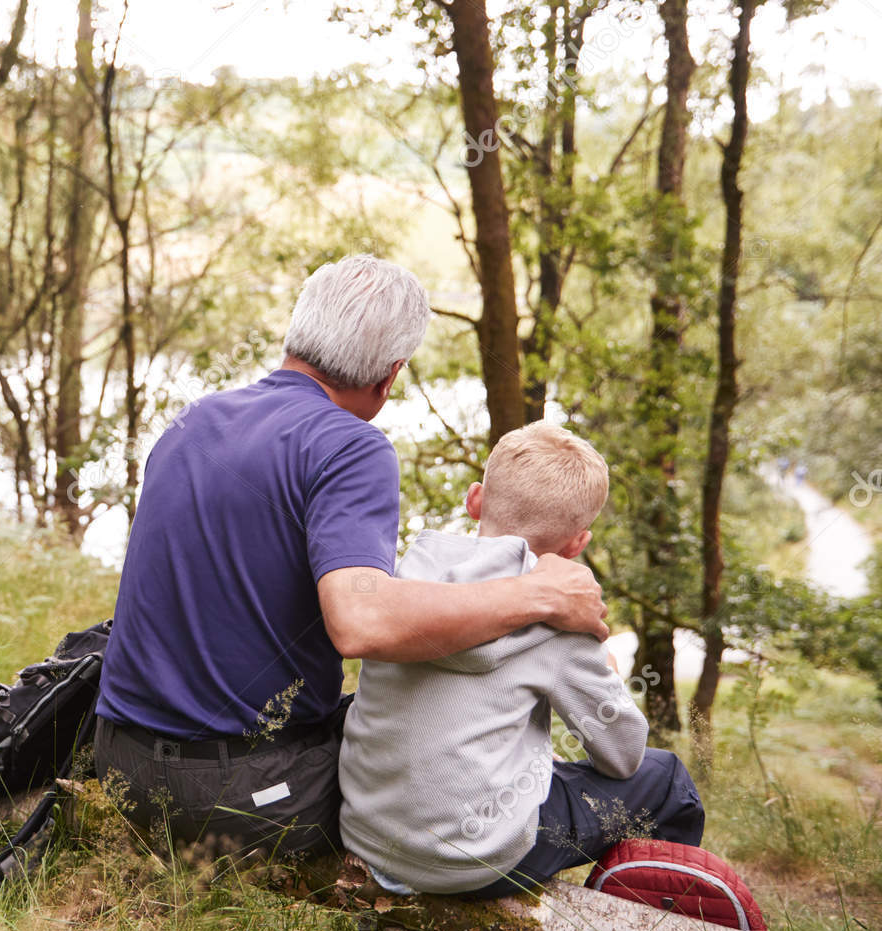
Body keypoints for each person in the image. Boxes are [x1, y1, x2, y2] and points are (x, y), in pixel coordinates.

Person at [93, 256, 610, 859]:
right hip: (235, 799)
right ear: (390, 376)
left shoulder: (195, 420)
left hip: (122, 764)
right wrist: (540, 593)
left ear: (298, 333)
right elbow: (360, 622)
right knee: (457, 777)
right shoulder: (351, 446)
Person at [337, 421, 705, 896]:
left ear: (475, 499)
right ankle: (656, 924)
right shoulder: (561, 623)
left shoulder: (407, 580)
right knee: (667, 778)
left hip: (369, 833)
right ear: (577, 544)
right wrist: (607, 669)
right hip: (467, 861)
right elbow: (622, 755)